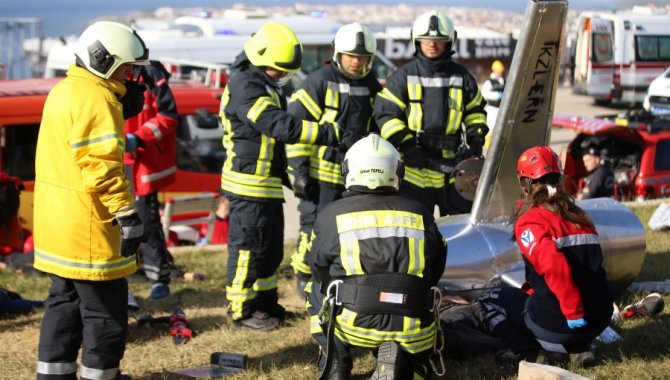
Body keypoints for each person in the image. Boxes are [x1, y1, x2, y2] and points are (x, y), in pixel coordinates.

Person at [219, 21, 353, 332]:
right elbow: (279, 125)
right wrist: (326, 132)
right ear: (260, 59)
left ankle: (265, 305)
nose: (281, 77)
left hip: (265, 185)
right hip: (247, 183)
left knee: (270, 250)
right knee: (247, 248)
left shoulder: (262, 84)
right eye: (278, 70)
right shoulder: (244, 86)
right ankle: (241, 311)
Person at [33, 21, 148, 380]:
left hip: (58, 223)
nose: (130, 75)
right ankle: (102, 375)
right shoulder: (96, 99)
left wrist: (116, 100)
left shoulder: (65, 89)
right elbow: (101, 167)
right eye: (125, 68)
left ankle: (53, 374)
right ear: (103, 59)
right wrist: (127, 214)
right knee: (105, 312)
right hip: (89, 226)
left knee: (63, 303)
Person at [307, 134, 447, 379]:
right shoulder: (420, 212)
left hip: (355, 323)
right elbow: (436, 266)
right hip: (413, 325)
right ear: (397, 171)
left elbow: (318, 268)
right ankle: (408, 365)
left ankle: (337, 365)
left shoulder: (331, 215)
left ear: (349, 170)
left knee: (315, 289)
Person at [474, 146, 613, 366]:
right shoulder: (579, 216)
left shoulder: (531, 222)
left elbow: (555, 267)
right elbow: (589, 268)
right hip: (599, 318)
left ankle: (530, 352)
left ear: (526, 184)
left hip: (569, 319)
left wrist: (574, 313)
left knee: (489, 299)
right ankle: (579, 348)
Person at [286, 22, 383, 300]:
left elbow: (378, 127)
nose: (356, 62)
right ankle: (305, 280)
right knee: (314, 230)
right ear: (338, 54)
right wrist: (300, 171)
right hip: (319, 176)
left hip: (355, 177)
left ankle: (340, 278)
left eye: (363, 57)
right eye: (352, 55)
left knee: (352, 231)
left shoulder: (372, 86)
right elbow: (295, 129)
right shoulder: (318, 82)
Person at [375, 10, 489, 216]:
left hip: (454, 171)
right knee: (416, 232)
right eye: (426, 39)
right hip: (414, 171)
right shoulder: (402, 77)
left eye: (439, 40)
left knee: (462, 228)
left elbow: (476, 111)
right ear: (416, 41)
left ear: (449, 42)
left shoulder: (462, 77)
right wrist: (407, 146)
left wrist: (475, 138)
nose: (432, 44)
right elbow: (386, 115)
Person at [124, 60, 179, 300]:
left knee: (146, 223)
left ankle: (158, 279)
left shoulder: (151, 74)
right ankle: (118, 282)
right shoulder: (102, 76)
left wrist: (139, 138)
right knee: (113, 226)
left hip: (141, 164)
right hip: (113, 162)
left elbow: (168, 115)